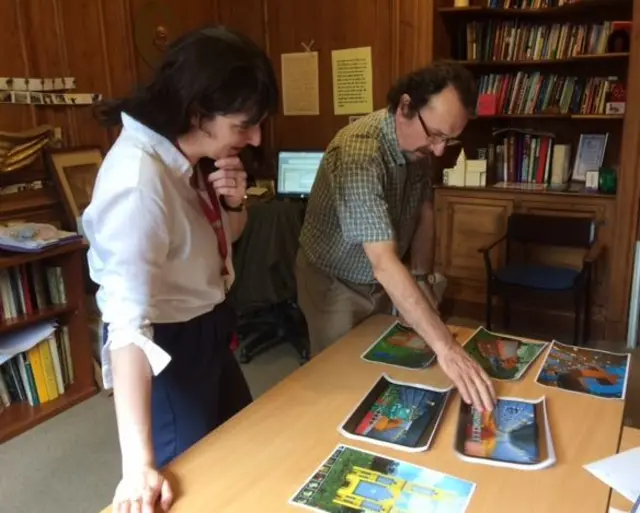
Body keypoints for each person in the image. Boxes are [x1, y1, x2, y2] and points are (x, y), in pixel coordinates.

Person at [82, 26, 278, 513]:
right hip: (166, 344)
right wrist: (136, 465)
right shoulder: (138, 181)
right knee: (186, 486)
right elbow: (126, 328)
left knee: (242, 447)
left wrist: (234, 203)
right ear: (197, 113)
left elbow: (221, 242)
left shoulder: (188, 157)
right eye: (244, 125)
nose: (254, 138)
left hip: (209, 327)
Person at [296, 60, 496, 413]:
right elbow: (384, 262)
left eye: (448, 139)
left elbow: (424, 211)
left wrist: (421, 277)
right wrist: (446, 348)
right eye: (435, 135)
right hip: (334, 282)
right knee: (339, 380)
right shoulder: (359, 151)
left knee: (381, 370)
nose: (438, 150)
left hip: (380, 278)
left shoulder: (418, 143)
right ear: (405, 107)